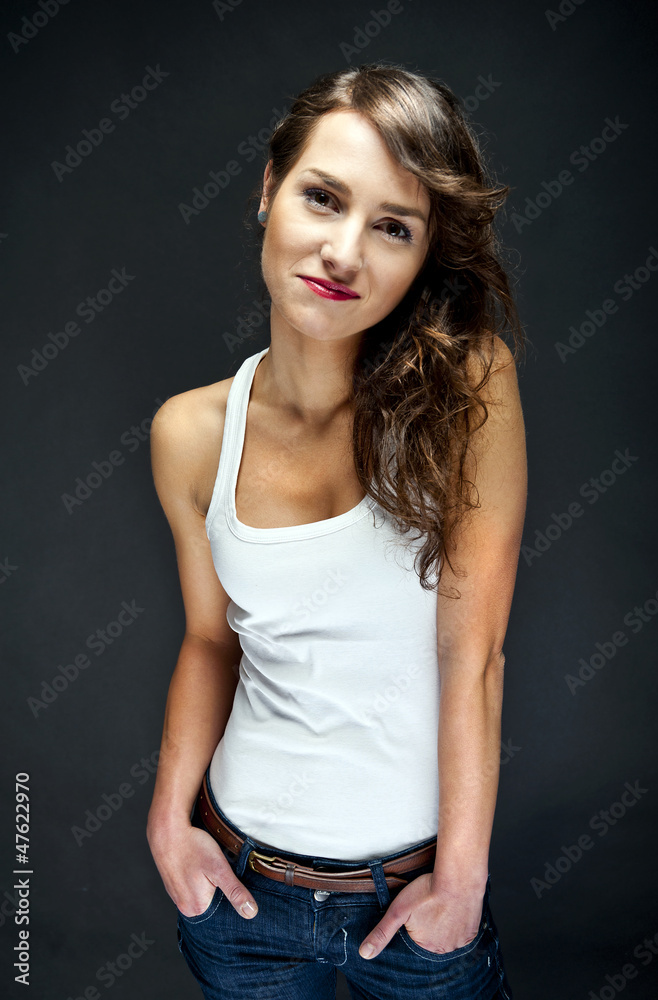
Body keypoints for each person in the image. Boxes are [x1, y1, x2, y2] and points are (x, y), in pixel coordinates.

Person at [146, 61, 527, 1000]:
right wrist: (166, 820)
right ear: (269, 190)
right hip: (241, 892)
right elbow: (209, 642)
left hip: (415, 898)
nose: (343, 252)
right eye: (322, 197)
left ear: (424, 256)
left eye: (392, 227)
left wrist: (460, 885)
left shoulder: (470, 389)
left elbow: (473, 656)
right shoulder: (190, 432)